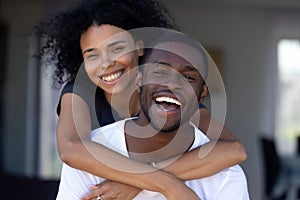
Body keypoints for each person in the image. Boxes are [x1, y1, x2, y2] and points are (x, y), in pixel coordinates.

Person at [32, 0, 247, 199]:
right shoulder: (80, 91)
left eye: (117, 48)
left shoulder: (170, 98)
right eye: (92, 55)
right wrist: (167, 184)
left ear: (139, 47)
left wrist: (138, 184)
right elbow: (71, 149)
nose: (106, 63)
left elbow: (234, 150)